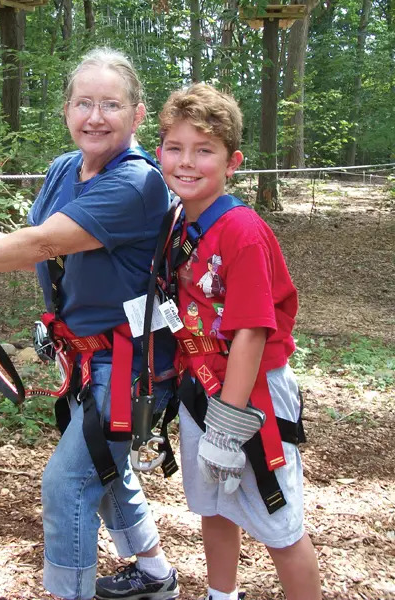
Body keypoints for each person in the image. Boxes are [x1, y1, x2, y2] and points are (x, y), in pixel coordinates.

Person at [0, 48, 180, 600]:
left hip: (127, 366)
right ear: (67, 109)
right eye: (84, 103)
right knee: (103, 468)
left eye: (111, 105)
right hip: (86, 358)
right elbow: (29, 251)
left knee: (68, 483)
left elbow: (44, 241)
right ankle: (154, 576)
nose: (96, 116)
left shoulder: (138, 183)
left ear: (137, 116)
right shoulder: (64, 169)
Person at [154, 83, 322, 600]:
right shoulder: (181, 221)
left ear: (233, 162)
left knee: (279, 523)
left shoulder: (241, 230)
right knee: (214, 507)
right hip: (200, 390)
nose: (187, 162)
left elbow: (252, 329)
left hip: (251, 399)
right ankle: (220, 594)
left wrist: (227, 429)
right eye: (175, 148)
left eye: (204, 150)